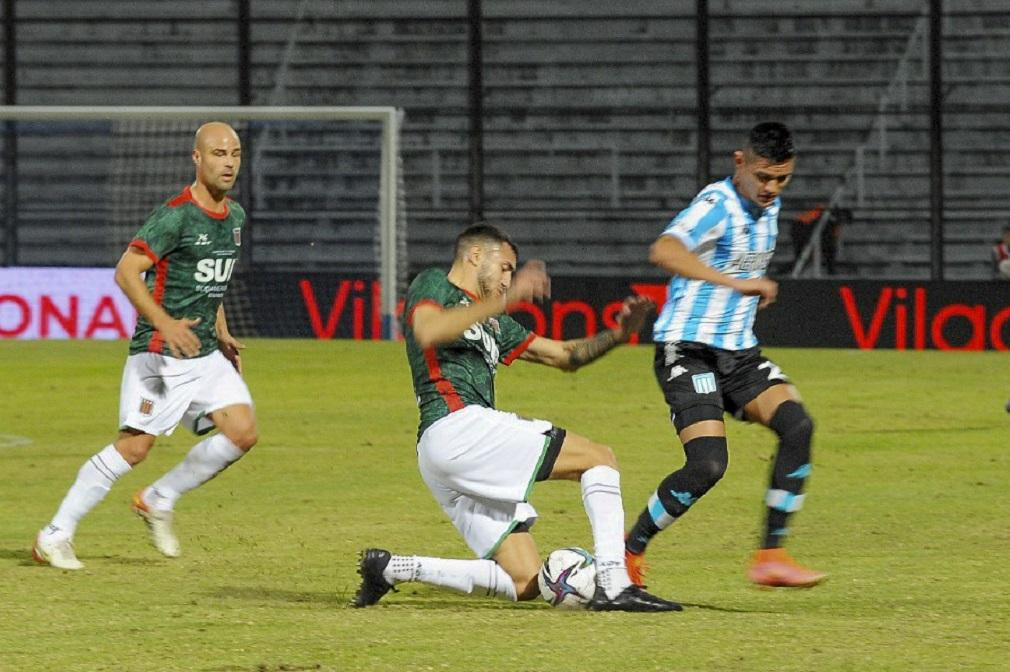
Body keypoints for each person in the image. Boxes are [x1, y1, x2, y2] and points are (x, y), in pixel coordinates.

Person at [352, 224, 681, 612]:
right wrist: (506, 301)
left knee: (525, 581)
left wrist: (618, 334)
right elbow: (428, 330)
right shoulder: (434, 284)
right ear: (475, 256)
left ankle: (392, 569)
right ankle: (614, 582)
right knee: (599, 458)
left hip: (448, 452)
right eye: (505, 268)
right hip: (456, 425)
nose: (509, 280)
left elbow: (563, 356)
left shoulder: (492, 323)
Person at [33, 122, 256, 570]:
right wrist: (164, 322)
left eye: (234, 153)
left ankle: (159, 498)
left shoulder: (234, 217)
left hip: (205, 350)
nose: (228, 161)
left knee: (243, 432)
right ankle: (54, 535)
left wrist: (223, 330)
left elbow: (208, 281)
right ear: (197, 158)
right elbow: (125, 270)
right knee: (134, 449)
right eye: (218, 153)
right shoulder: (174, 215)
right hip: (160, 352)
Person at [624, 122, 827, 588]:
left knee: (798, 425)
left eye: (782, 180)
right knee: (708, 465)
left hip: (739, 353)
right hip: (689, 351)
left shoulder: (767, 207)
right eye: (764, 177)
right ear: (740, 162)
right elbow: (664, 249)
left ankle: (771, 554)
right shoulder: (716, 205)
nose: (772, 189)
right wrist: (738, 283)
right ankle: (630, 547)